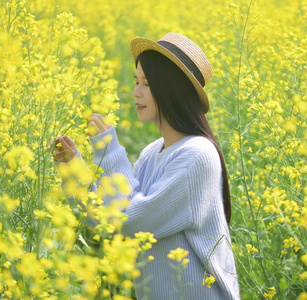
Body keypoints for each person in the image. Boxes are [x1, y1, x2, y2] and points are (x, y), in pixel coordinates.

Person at [52, 32, 240, 299]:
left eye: (147, 84)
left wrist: (109, 151)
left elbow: (129, 222)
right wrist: (72, 168)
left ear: (171, 90)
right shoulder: (153, 153)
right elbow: (108, 221)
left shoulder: (197, 155)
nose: (135, 92)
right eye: (136, 81)